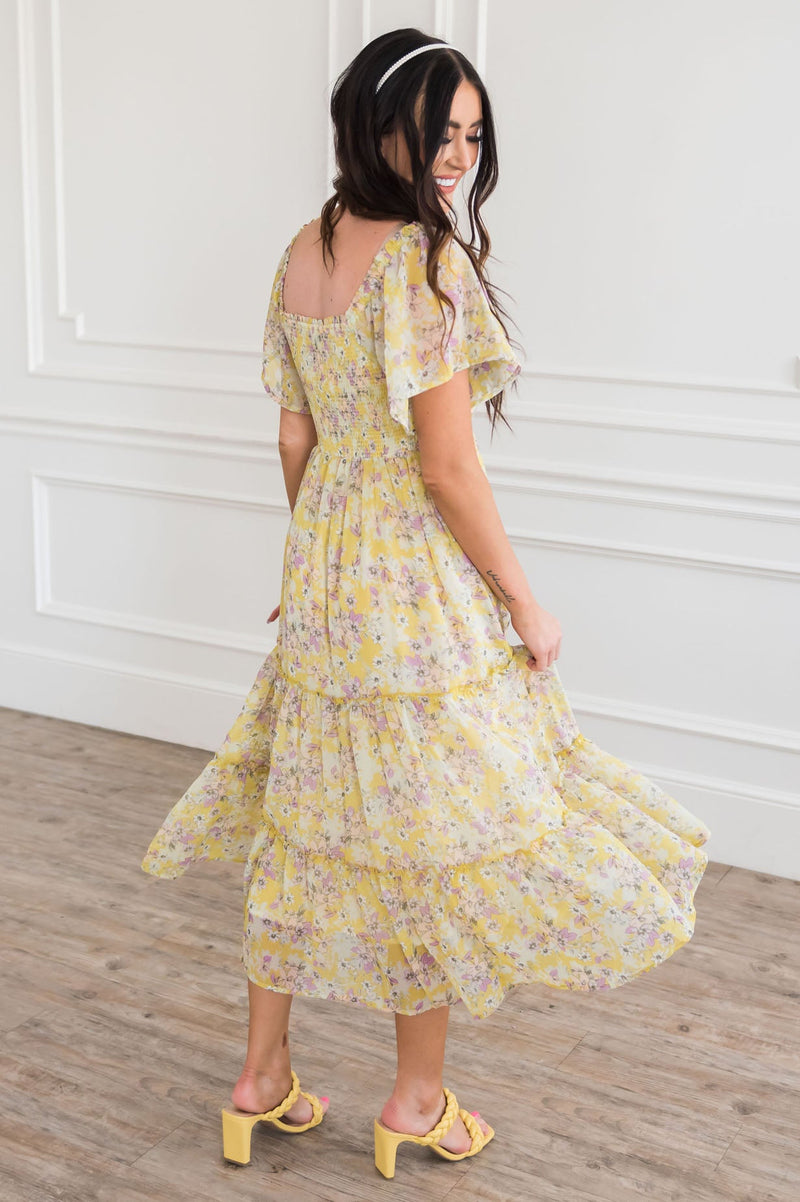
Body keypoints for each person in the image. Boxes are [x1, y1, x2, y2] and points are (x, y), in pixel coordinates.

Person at [141, 28, 712, 1181]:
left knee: (303, 815)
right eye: (437, 131)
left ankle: (260, 1076)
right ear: (378, 124)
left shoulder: (301, 249)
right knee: (428, 828)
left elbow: (294, 437)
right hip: (409, 578)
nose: (456, 156)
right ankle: (413, 1098)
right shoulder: (422, 262)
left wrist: (312, 562)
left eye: (471, 134)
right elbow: (446, 467)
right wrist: (522, 600)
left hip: (328, 566)